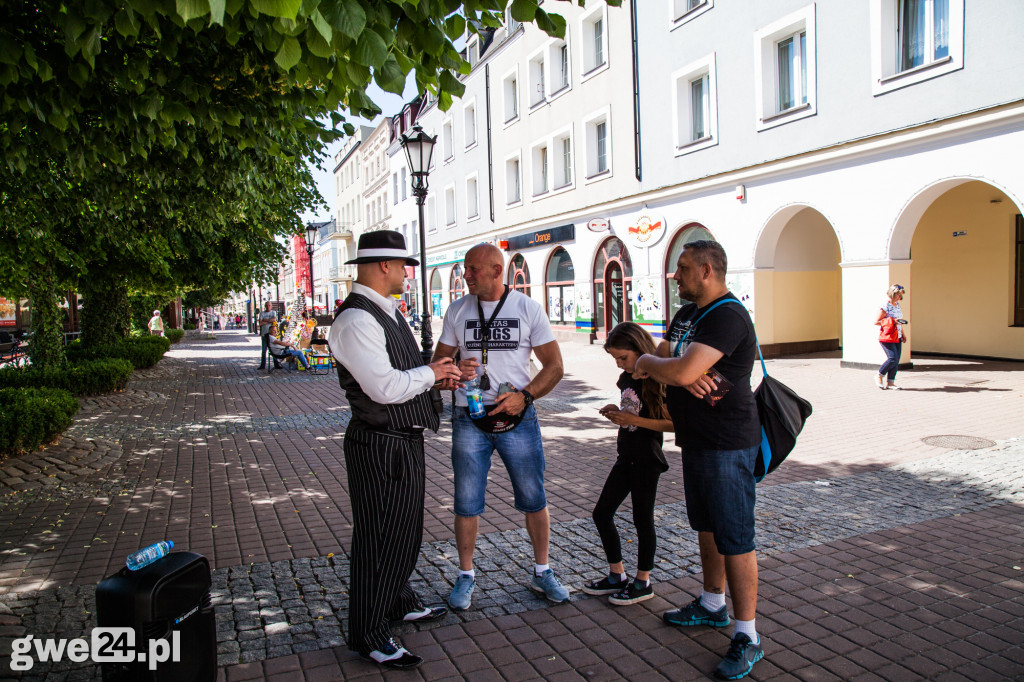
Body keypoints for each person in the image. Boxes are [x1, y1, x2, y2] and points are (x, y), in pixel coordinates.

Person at [329, 230, 462, 670]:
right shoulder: (356, 319)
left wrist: (437, 376)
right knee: (381, 538)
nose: (407, 272)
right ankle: (368, 633)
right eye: (403, 264)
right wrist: (430, 373)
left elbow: (402, 375)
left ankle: (398, 600)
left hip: (399, 438)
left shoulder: (383, 311)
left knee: (403, 533)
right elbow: (385, 388)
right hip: (380, 442)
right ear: (384, 265)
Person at [633, 240, 764, 680]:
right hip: (697, 440)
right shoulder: (688, 314)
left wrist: (659, 364)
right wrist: (676, 367)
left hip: (729, 443)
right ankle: (712, 605)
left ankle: (747, 636)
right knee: (706, 527)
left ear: (707, 270)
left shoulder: (728, 314)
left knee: (735, 536)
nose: (676, 276)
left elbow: (673, 366)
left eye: (683, 268)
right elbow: (674, 357)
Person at [431, 243, 568, 610]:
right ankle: (465, 576)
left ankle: (543, 571)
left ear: (497, 270)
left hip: (517, 418)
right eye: (464, 268)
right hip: (469, 417)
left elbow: (555, 367)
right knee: (466, 500)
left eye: (473, 269)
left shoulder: (527, 308)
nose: (466, 275)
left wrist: (525, 396)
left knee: (533, 497)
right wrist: (455, 371)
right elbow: (438, 366)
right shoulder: (457, 310)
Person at [583, 322, 673, 606]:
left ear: (640, 350)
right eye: (615, 359)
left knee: (641, 520)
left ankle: (643, 582)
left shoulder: (658, 377)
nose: (620, 364)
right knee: (601, 514)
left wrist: (633, 420)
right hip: (626, 456)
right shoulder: (627, 378)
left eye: (623, 357)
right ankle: (616, 575)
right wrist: (618, 411)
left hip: (648, 459)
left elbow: (673, 424)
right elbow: (632, 408)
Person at [874, 284, 907, 390]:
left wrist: (903, 334)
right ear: (893, 294)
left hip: (898, 335)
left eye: (901, 295)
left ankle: (891, 382)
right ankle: (879, 374)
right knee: (892, 358)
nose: (900, 297)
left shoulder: (897, 305)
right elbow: (877, 321)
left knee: (896, 360)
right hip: (888, 336)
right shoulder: (885, 305)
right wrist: (892, 321)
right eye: (898, 295)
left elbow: (899, 321)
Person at [257, 302, 278, 370]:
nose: (268, 306)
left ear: (271, 306)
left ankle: (276, 364)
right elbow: (260, 323)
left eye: (269, 305)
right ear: (265, 306)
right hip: (264, 334)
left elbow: (274, 319)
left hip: (272, 334)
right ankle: (262, 365)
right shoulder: (262, 313)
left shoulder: (273, 312)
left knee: (273, 349)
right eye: (267, 305)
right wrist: (269, 321)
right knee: (264, 351)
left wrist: (264, 320)